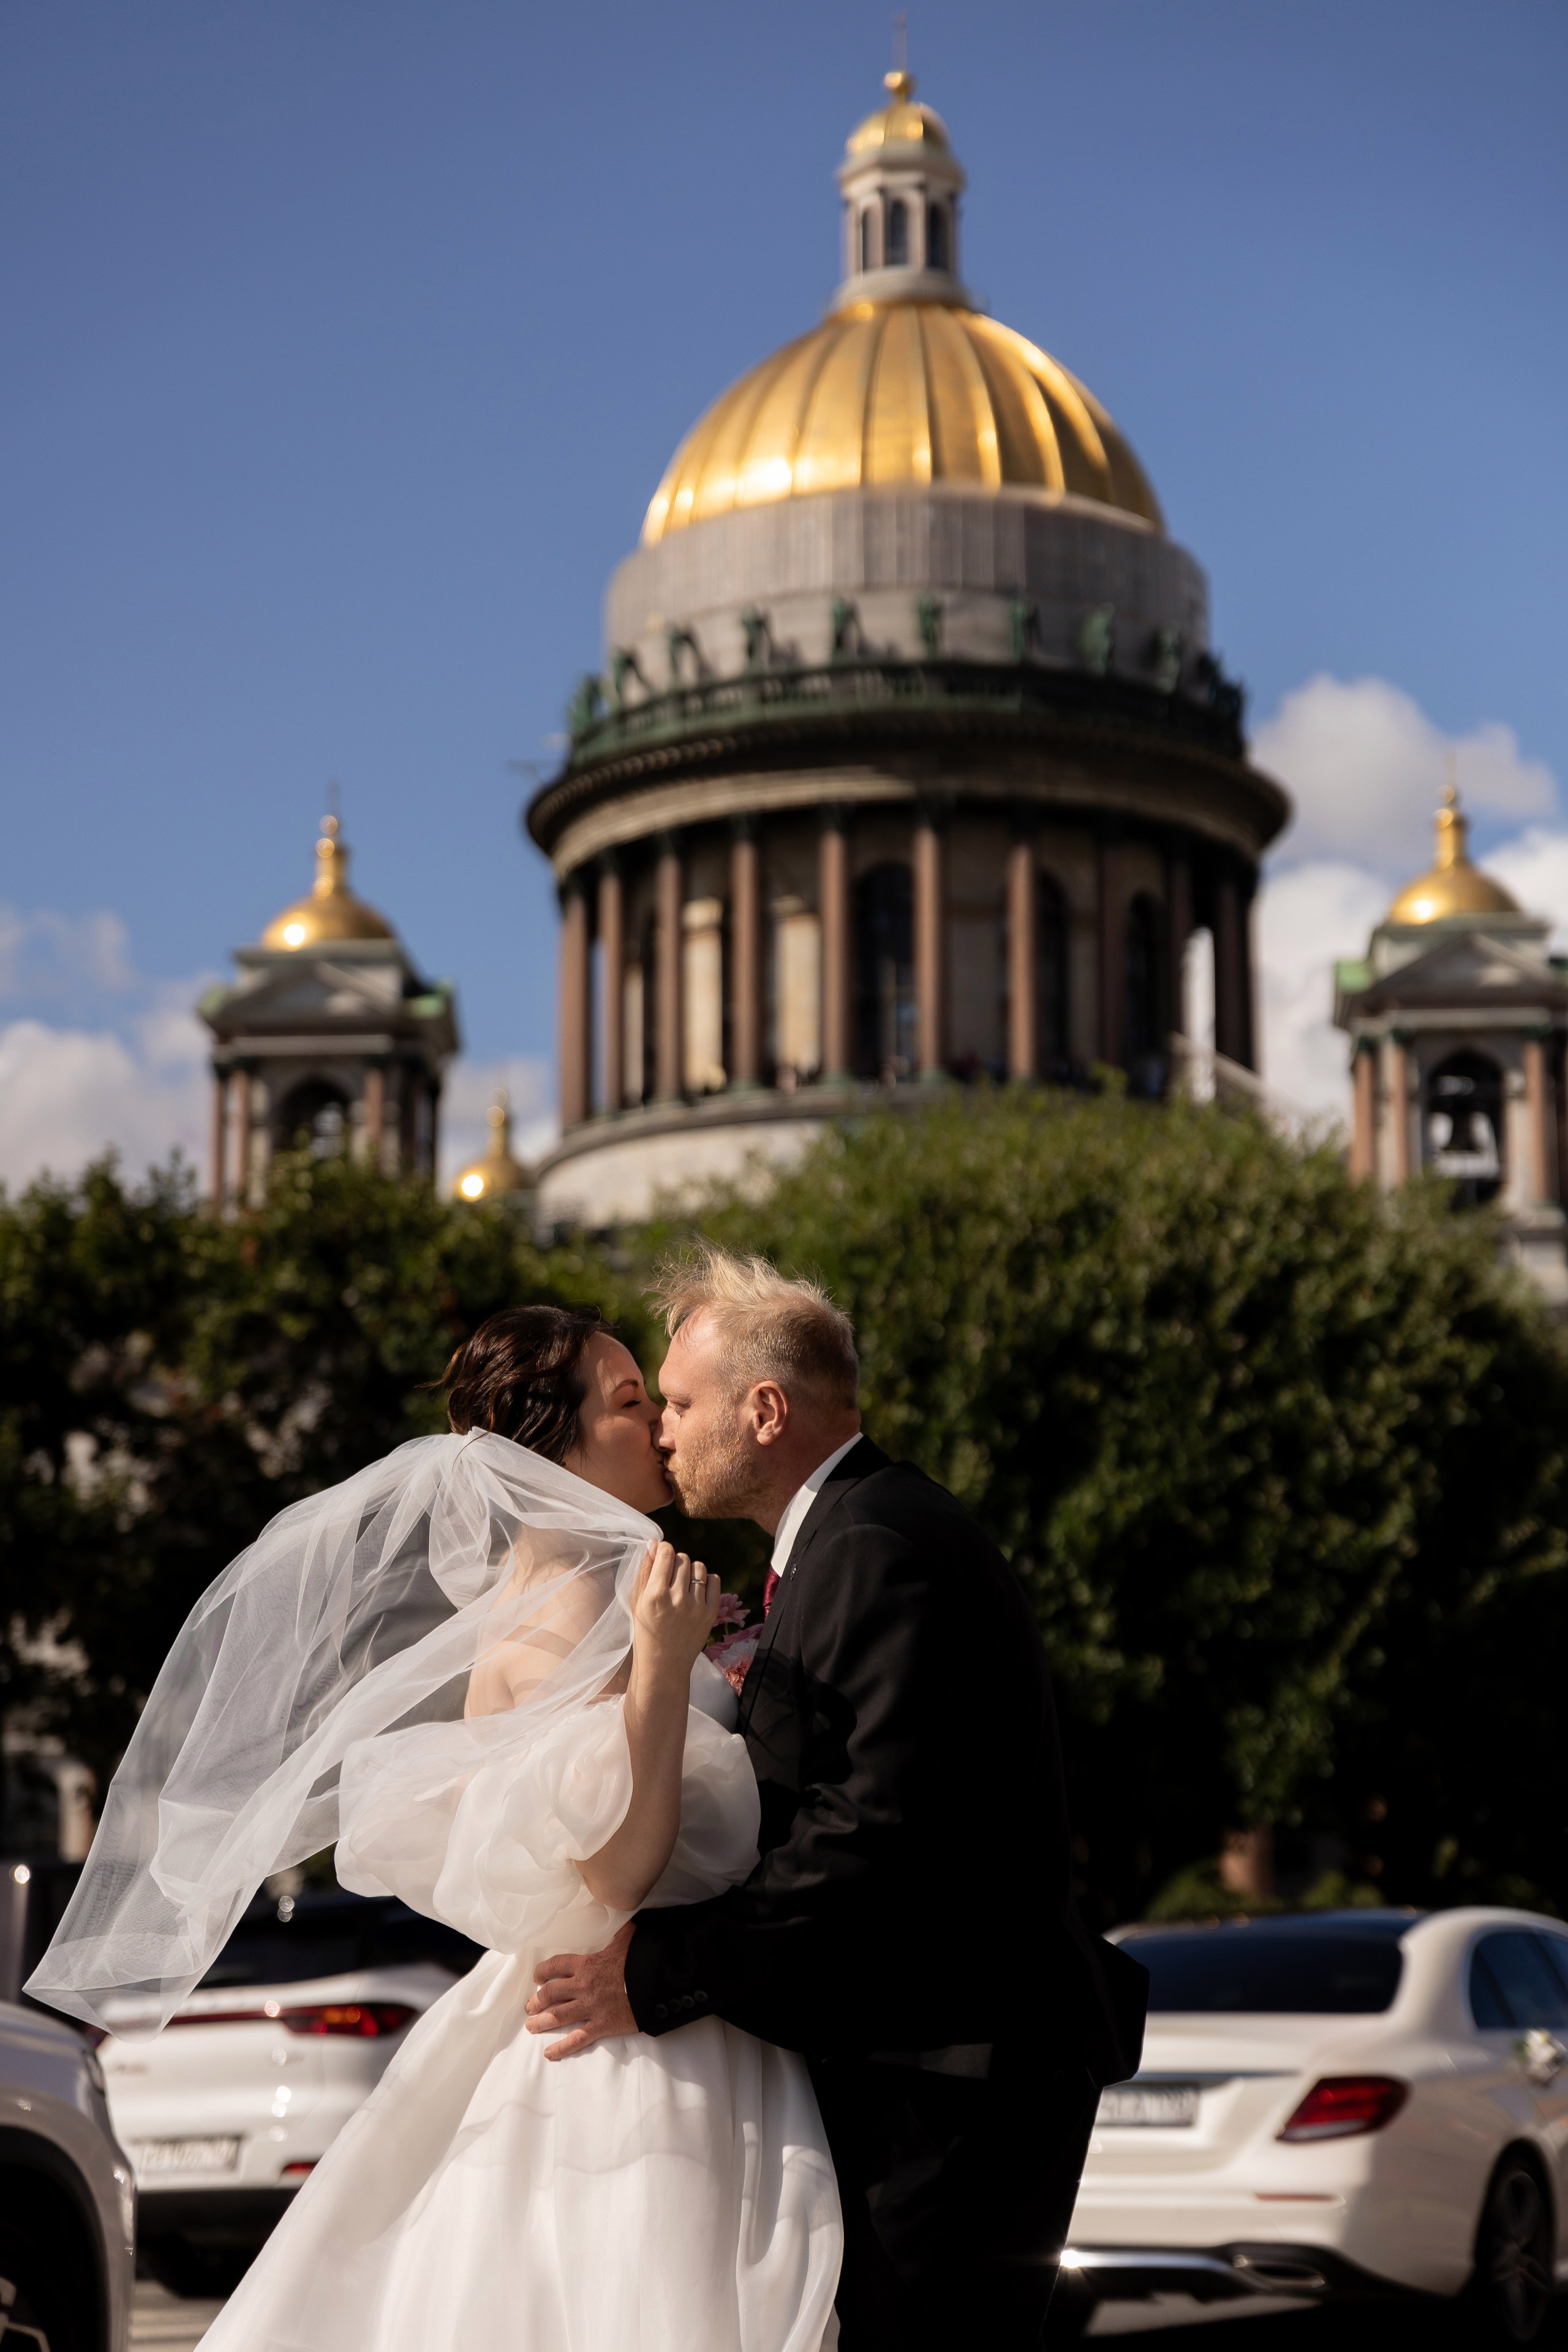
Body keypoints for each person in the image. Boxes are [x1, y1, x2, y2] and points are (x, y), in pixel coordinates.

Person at [28, 1304, 843, 2352]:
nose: (664, 1428)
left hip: (696, 2018)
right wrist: (658, 1665)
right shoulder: (559, 1621)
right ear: (555, 1444)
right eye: (635, 1402)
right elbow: (617, 1874)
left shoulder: (613, 1596)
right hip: (626, 2046)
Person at [525, 1247, 1147, 2351]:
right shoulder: (854, 1536)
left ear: (763, 1411)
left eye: (677, 1402)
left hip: (953, 2073)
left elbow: (869, 1833)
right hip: (929, 2062)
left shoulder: (873, 1545)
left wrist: (657, 1973)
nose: (663, 1429)